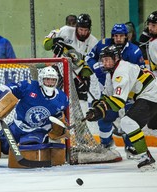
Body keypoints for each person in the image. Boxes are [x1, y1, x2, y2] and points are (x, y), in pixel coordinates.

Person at [84, 45, 157, 170]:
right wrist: (96, 107)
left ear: (116, 58)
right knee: (152, 126)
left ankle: (146, 157)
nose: (105, 62)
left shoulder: (121, 72)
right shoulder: (111, 73)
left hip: (151, 94)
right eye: (103, 59)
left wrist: (100, 109)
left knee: (128, 122)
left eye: (108, 59)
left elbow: (118, 103)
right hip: (149, 95)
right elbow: (107, 96)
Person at [85, 23, 145, 155]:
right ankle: (106, 144)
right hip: (109, 87)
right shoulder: (103, 44)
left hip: (129, 92)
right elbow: (89, 57)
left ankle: (131, 146)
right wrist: (94, 65)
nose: (118, 38)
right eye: (116, 36)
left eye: (121, 36)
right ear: (112, 36)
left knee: (131, 119)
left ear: (126, 36)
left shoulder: (134, 51)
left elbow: (142, 71)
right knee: (105, 116)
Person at [0, 66, 69, 155]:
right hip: (17, 125)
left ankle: (42, 141)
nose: (50, 83)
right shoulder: (29, 86)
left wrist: (62, 126)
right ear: (41, 80)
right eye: (47, 79)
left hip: (37, 130)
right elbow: (5, 88)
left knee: (29, 149)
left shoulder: (62, 99)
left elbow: (60, 117)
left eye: (53, 80)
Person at [43, 13, 98, 101]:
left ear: (89, 29)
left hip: (79, 73)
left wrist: (84, 74)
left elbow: (95, 62)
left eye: (85, 30)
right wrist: (54, 42)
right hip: (59, 68)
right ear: (76, 27)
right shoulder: (66, 31)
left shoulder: (93, 42)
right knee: (52, 95)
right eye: (81, 30)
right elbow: (46, 45)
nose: (83, 33)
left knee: (81, 99)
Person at [146, 11, 157, 77]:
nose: (150, 28)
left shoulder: (155, 43)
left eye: (153, 25)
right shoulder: (152, 41)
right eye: (149, 24)